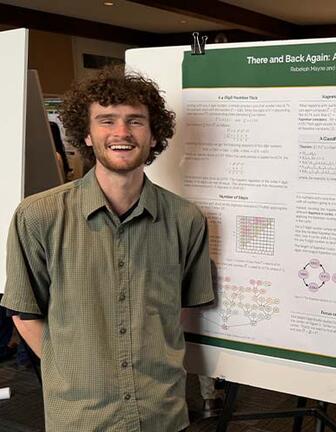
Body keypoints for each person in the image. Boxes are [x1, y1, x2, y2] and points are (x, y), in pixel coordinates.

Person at [1, 67, 214, 431]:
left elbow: (177, 310)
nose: (121, 133)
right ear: (85, 134)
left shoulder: (186, 219)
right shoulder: (39, 216)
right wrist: (69, 371)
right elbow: (24, 312)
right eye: (106, 120)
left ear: (153, 134)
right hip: (81, 418)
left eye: (135, 121)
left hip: (162, 414)